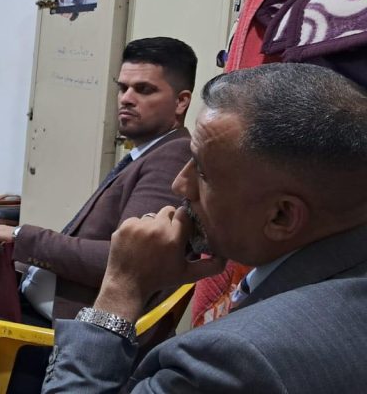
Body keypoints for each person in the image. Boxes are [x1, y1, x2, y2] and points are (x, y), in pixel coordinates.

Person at [0, 37, 198, 393]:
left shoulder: (172, 156)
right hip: (37, 307)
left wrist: (20, 236)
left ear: (181, 101)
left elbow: (125, 261)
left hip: (60, 334)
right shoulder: (146, 153)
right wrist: (11, 277)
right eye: (123, 87)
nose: (126, 98)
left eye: (144, 89)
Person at [42, 63, 367, 393]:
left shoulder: (232, 359)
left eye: (201, 172)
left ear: (281, 216)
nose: (179, 185)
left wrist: (120, 290)